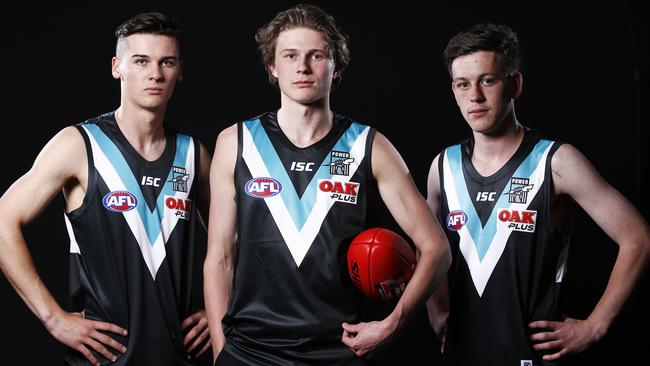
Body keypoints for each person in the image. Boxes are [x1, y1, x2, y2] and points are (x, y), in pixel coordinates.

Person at [203, 4, 450, 366]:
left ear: (336, 67)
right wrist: (221, 352)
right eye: (290, 56)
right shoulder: (236, 142)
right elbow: (220, 259)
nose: (302, 67)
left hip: (338, 352)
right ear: (273, 66)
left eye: (316, 55)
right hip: (250, 352)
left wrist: (391, 327)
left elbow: (436, 248)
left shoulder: (369, 145)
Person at [425, 22, 650, 365]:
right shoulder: (443, 167)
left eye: (487, 80)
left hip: (531, 357)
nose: (475, 96)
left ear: (514, 84)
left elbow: (637, 238)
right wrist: (437, 312)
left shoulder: (556, 161)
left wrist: (595, 326)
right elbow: (430, 250)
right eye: (462, 84)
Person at [0, 12, 212, 366]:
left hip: (180, 357)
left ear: (180, 71)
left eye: (167, 62)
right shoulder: (79, 145)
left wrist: (218, 306)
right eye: (141, 61)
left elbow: (235, 242)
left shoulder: (194, 154)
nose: (155, 74)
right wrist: (53, 318)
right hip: (105, 359)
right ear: (117, 67)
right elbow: (3, 220)